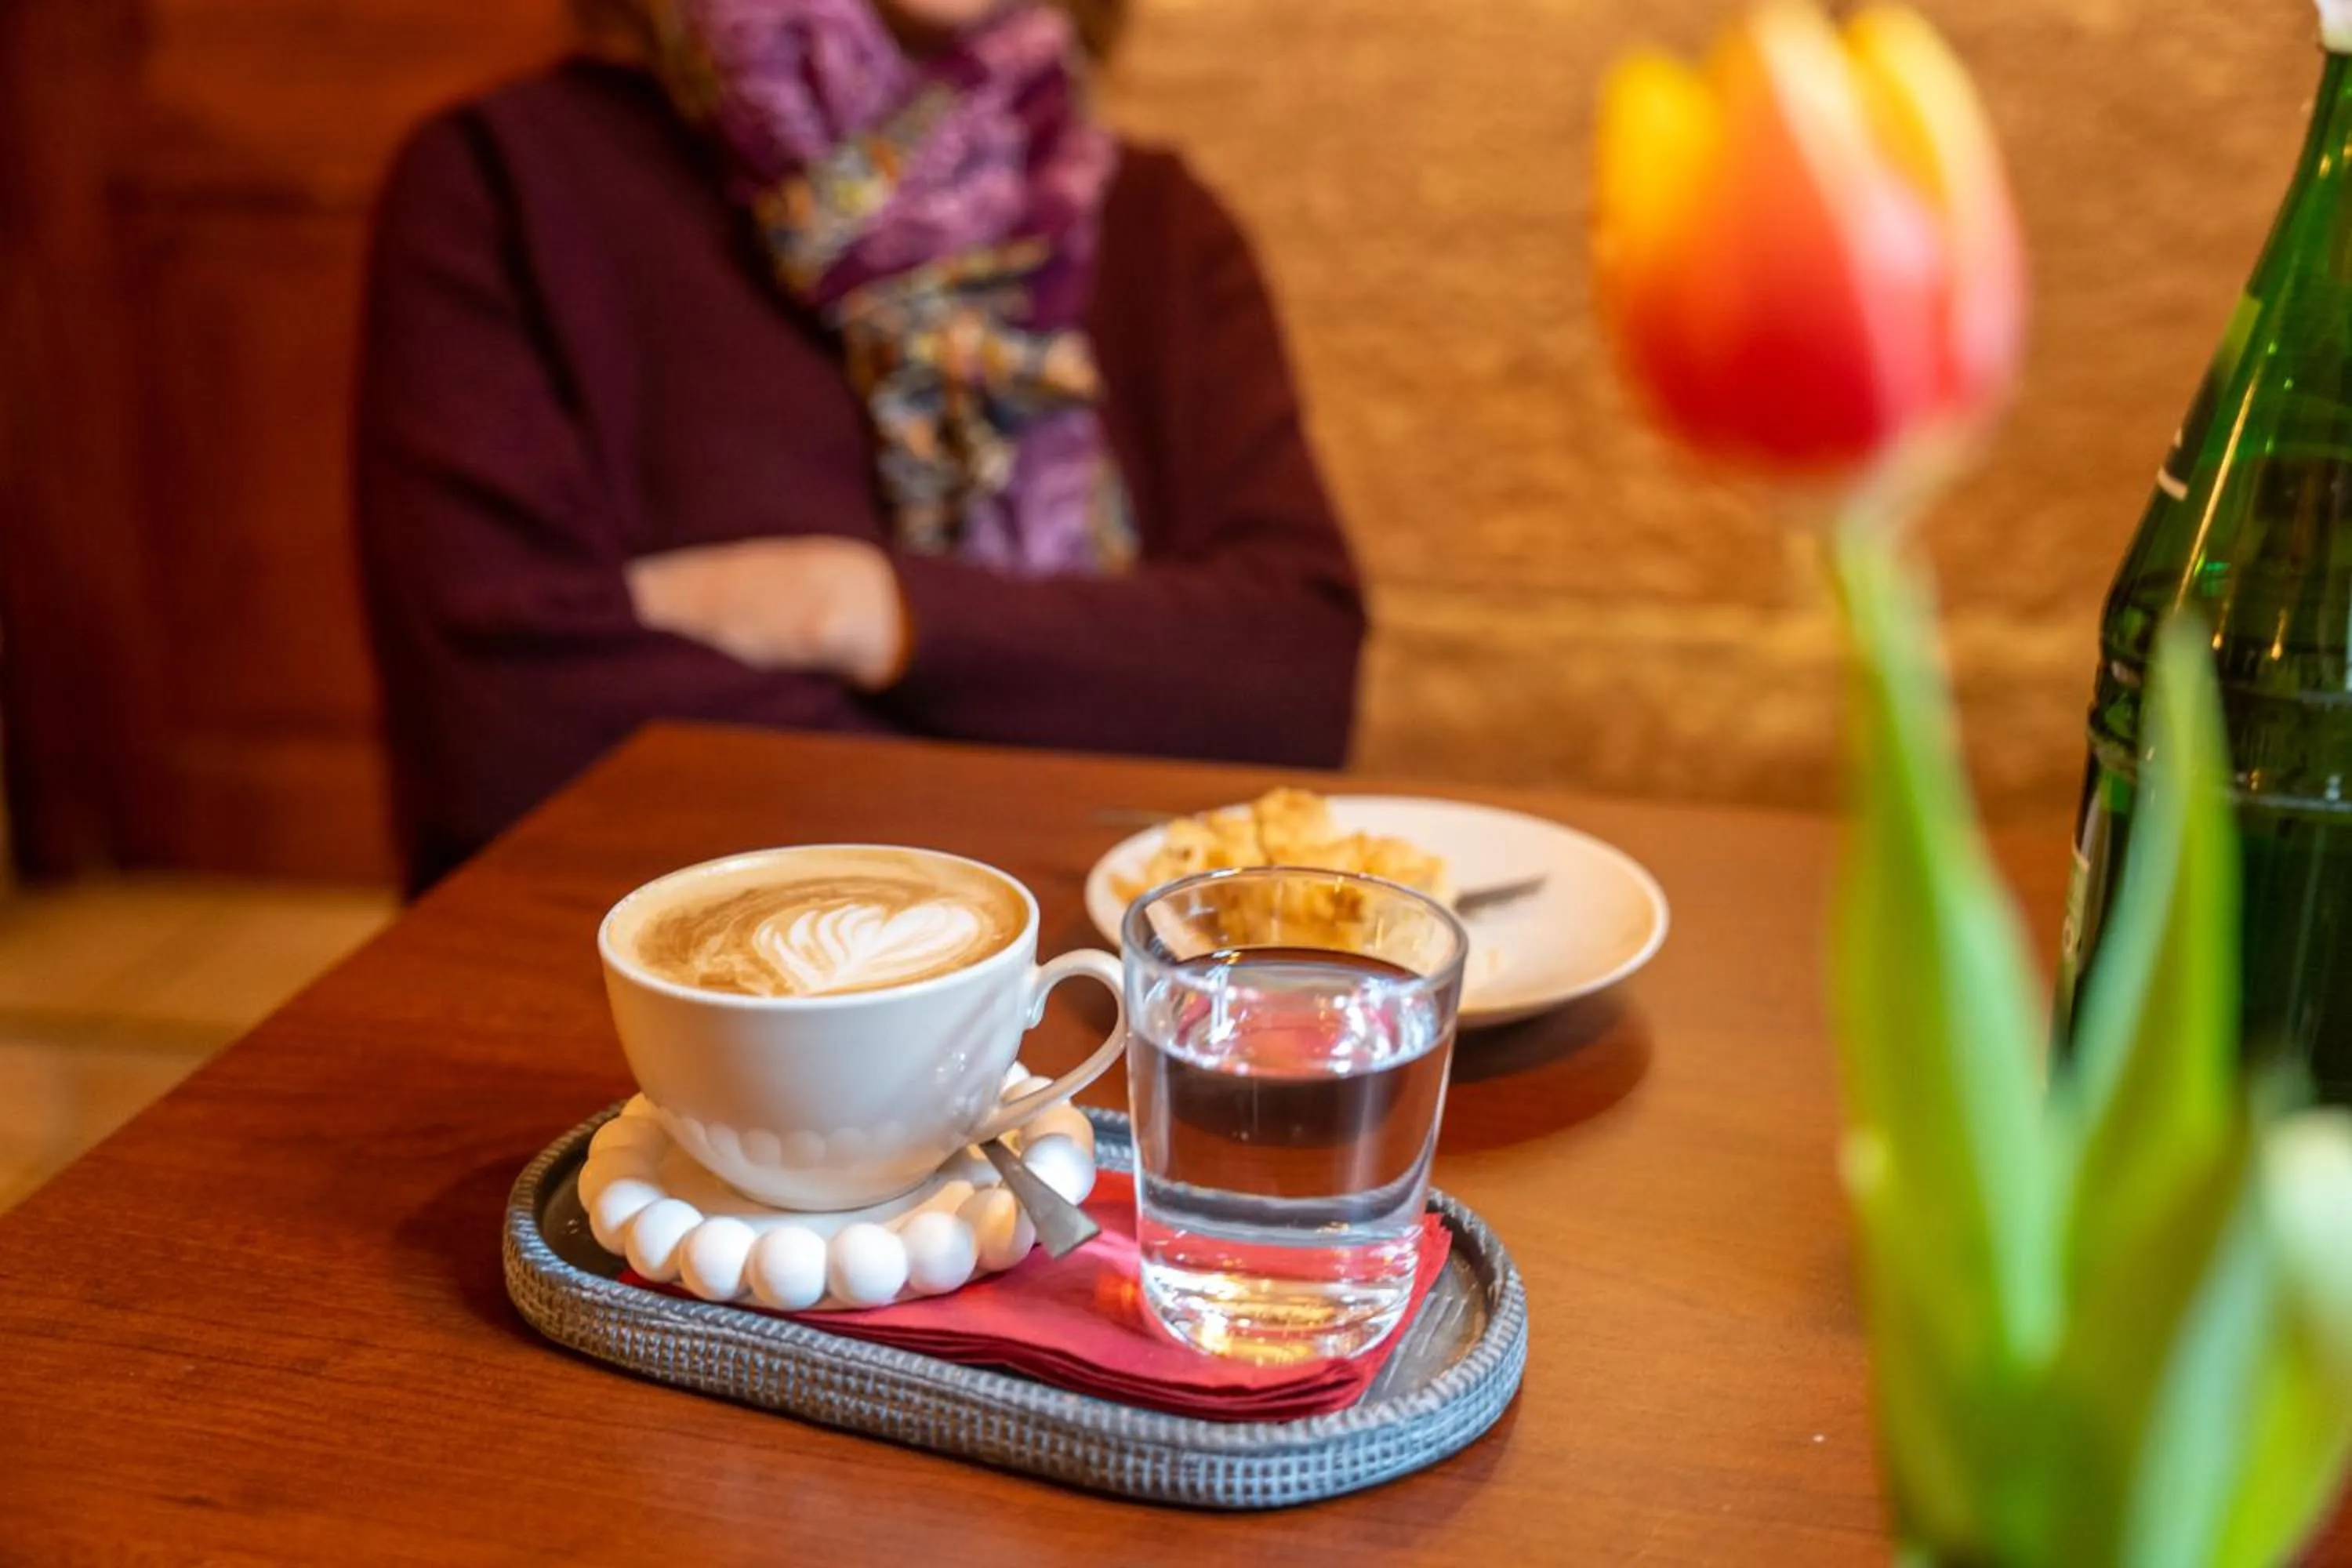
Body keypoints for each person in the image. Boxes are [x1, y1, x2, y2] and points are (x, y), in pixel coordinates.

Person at [356, 0, 1367, 894]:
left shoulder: (1159, 227)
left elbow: (1293, 681)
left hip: (1074, 1016)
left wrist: (860, 607)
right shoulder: (500, 185)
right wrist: (1090, 703)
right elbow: (510, 734)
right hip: (638, 1039)